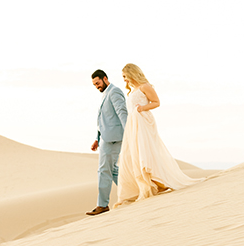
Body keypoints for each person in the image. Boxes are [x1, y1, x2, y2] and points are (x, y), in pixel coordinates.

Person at [114, 63, 201, 207]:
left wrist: (142, 108)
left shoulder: (145, 86)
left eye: (125, 76)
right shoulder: (133, 89)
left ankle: (156, 182)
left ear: (131, 73)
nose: (124, 80)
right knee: (133, 154)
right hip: (133, 125)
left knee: (145, 151)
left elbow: (156, 102)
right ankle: (149, 184)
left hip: (143, 122)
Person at [86, 69, 128, 216]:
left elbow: (122, 112)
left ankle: (102, 205)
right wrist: (97, 139)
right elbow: (104, 119)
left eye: (98, 83)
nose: (97, 86)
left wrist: (129, 133)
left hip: (113, 138)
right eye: (94, 85)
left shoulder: (114, 91)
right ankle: (131, 193)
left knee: (104, 170)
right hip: (105, 138)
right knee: (113, 171)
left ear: (105, 78)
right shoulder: (106, 93)